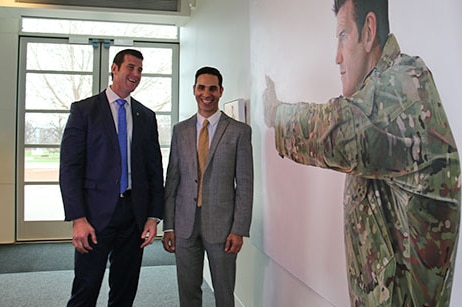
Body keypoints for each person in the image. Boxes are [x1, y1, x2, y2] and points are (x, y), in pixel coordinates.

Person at [263, 0, 460, 306]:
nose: (337, 57)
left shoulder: (406, 84)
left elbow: (341, 129)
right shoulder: (376, 93)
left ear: (369, 32)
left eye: (343, 36)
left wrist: (278, 115)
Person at [59, 49, 164, 306]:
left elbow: (154, 171)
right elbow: (69, 168)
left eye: (140, 69)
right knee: (86, 288)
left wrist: (153, 216)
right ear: (114, 69)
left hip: (134, 216)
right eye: (130, 67)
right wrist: (78, 219)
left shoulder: (146, 116)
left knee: (125, 290)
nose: (136, 74)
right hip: (94, 217)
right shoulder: (84, 111)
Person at [162, 66, 254, 307]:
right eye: (201, 87)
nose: (207, 93)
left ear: (221, 91)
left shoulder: (239, 132)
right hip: (184, 225)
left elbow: (245, 185)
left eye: (212, 88)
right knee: (188, 293)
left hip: (223, 229)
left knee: (224, 294)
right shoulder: (180, 131)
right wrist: (168, 225)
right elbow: (172, 180)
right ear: (194, 90)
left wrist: (239, 229)